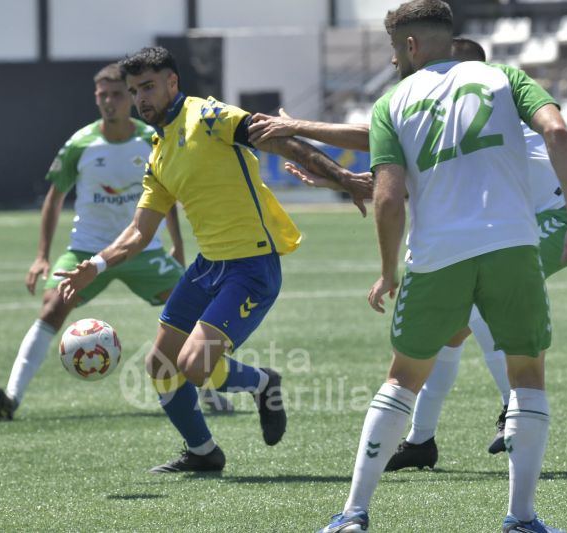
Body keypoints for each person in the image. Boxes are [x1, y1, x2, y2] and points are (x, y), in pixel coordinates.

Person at [306, 1, 567, 531]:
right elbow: (556, 132)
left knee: (401, 379)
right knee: (527, 375)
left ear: (411, 46)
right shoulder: (504, 76)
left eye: (395, 51)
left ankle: (354, 512)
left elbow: (390, 199)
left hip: (438, 254)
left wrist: (389, 271)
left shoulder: (393, 103)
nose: (394, 62)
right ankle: (522, 517)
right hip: (512, 245)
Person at [250, 36, 567, 465]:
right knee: (450, 330)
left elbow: (371, 136)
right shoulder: (461, 108)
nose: (401, 65)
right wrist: (341, 179)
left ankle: (513, 408)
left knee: (476, 305)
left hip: (553, 216)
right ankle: (420, 441)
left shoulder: (481, 101)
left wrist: (299, 126)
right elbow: (412, 175)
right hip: (518, 223)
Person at [55, 46, 370, 473]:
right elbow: (139, 231)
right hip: (209, 267)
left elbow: (278, 139)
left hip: (252, 267)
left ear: (172, 82)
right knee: (160, 364)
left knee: (193, 366)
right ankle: (203, 451)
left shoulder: (208, 116)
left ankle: (263, 383)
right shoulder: (159, 150)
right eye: (133, 91)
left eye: (148, 86)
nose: (140, 98)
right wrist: (97, 264)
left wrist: (345, 179)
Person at [0, 63, 193, 421]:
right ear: (96, 98)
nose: (110, 101)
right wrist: (41, 256)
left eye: (118, 94)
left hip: (142, 249)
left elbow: (168, 196)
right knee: (52, 307)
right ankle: (11, 398)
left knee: (189, 310)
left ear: (129, 98)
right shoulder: (80, 144)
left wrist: (178, 246)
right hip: (87, 250)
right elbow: (54, 199)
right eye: (103, 95)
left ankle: (212, 393)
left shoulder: (152, 139)